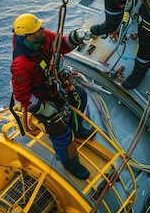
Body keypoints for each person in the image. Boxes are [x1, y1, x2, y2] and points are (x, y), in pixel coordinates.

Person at [10, 13, 93, 180]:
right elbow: (22, 95)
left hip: (52, 87)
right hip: (41, 98)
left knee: (80, 96)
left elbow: (61, 44)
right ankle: (70, 163)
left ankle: (77, 128)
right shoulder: (21, 65)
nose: (42, 29)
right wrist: (43, 108)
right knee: (60, 131)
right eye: (37, 29)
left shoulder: (43, 37)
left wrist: (76, 37)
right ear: (28, 36)